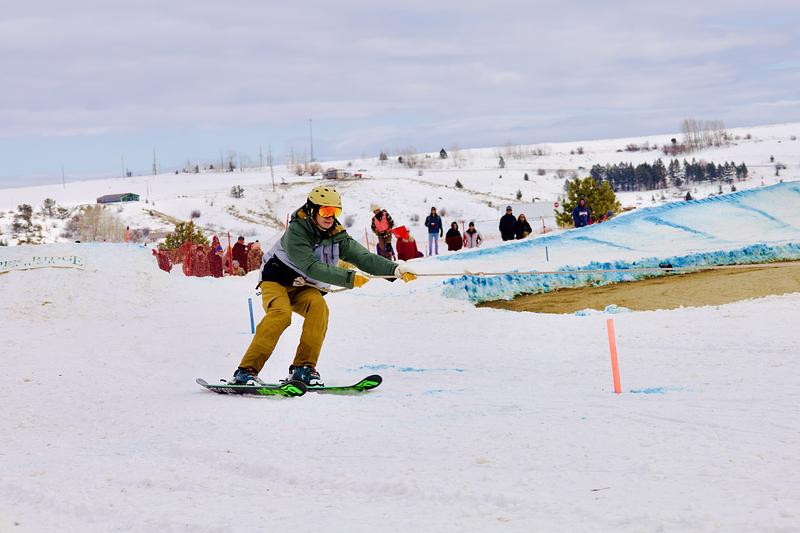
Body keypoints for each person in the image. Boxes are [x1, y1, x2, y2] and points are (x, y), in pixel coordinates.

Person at [230, 186, 417, 386]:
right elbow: (310, 266)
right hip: (277, 280)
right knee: (281, 314)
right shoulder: (297, 231)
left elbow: (362, 257)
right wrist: (348, 278)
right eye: (325, 211)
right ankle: (246, 370)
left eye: (335, 211)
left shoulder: (336, 234)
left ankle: (303, 368)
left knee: (319, 309)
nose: (330, 217)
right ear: (312, 210)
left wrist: (395, 270)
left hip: (304, 285)